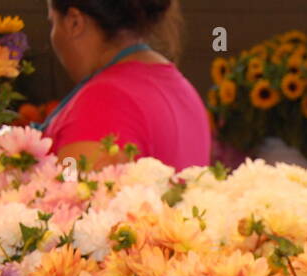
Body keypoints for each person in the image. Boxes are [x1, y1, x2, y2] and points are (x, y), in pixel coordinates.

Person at [44, 0, 209, 170]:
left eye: (53, 22)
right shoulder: (182, 88)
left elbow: (74, 194)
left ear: (74, 22)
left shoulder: (103, 102)